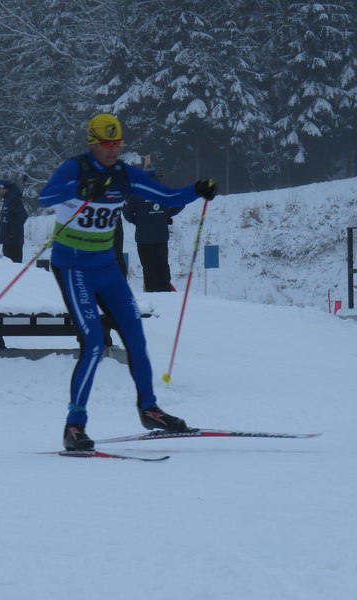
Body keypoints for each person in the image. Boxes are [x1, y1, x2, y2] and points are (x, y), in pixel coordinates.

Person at [38, 112, 217, 451]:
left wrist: (196, 190)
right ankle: (74, 426)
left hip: (106, 267)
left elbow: (167, 197)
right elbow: (45, 197)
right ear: (93, 143)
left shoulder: (124, 175)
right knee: (93, 343)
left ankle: (150, 410)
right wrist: (79, 188)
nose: (113, 149)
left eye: (118, 143)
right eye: (106, 143)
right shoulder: (75, 168)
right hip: (73, 268)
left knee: (135, 336)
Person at [123, 163, 183, 291]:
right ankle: (165, 289)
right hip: (161, 237)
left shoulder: (136, 193)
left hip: (143, 238)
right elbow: (180, 203)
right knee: (162, 264)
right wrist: (165, 215)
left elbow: (127, 213)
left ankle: (152, 292)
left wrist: (137, 221)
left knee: (148, 267)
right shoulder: (163, 191)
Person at [0, 179, 28, 263]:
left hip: (13, 241)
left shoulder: (13, 199)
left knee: (13, 265)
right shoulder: (8, 198)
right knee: (8, 265)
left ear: (4, 188)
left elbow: (23, 215)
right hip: (8, 240)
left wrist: (12, 232)